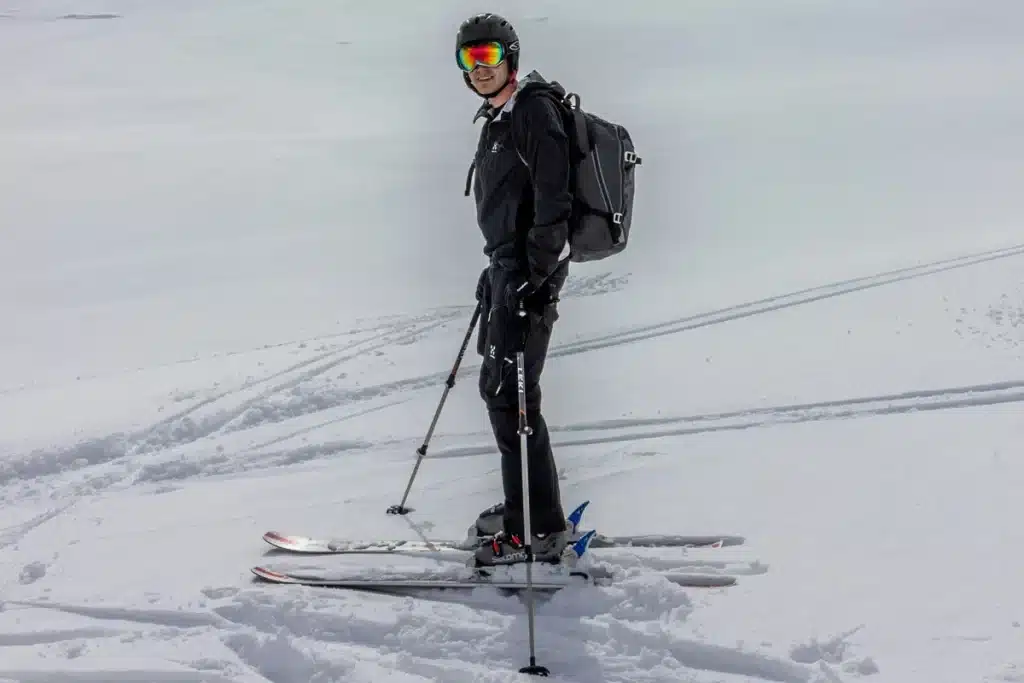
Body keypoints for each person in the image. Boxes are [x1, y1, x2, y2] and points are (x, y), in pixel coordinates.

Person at [455, 13, 574, 566]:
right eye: (468, 58)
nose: (479, 68)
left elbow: (555, 200)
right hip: (507, 272)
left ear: (510, 57)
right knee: (499, 392)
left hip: (528, 278)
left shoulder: (532, 111)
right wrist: (500, 267)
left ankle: (538, 530)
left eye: (487, 56)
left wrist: (532, 272)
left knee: (515, 399)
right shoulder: (499, 118)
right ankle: (523, 506)